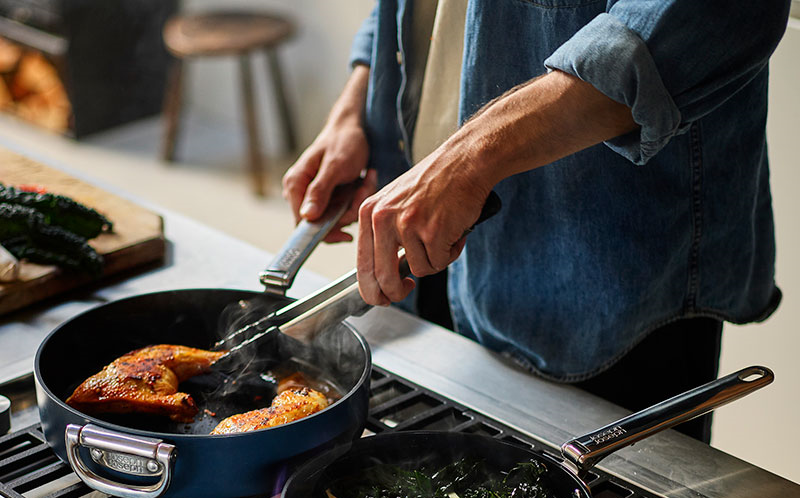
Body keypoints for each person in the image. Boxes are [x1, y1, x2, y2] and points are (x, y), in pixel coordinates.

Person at [282, 1, 791, 442]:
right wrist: (356, 100)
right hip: (429, 223)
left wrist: (469, 158)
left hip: (610, 273)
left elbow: (707, 13)